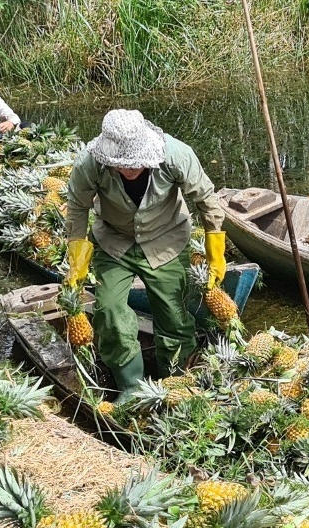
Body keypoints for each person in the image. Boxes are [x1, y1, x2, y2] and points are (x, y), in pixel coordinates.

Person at [64, 109, 227, 403]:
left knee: (173, 315)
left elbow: (206, 199)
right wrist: (77, 261)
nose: (128, 170)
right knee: (109, 310)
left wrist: (215, 252)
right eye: (120, 165)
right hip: (115, 241)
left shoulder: (176, 155)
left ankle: (177, 381)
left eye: (135, 163)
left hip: (167, 238)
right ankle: (130, 385)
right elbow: (77, 208)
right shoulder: (90, 163)